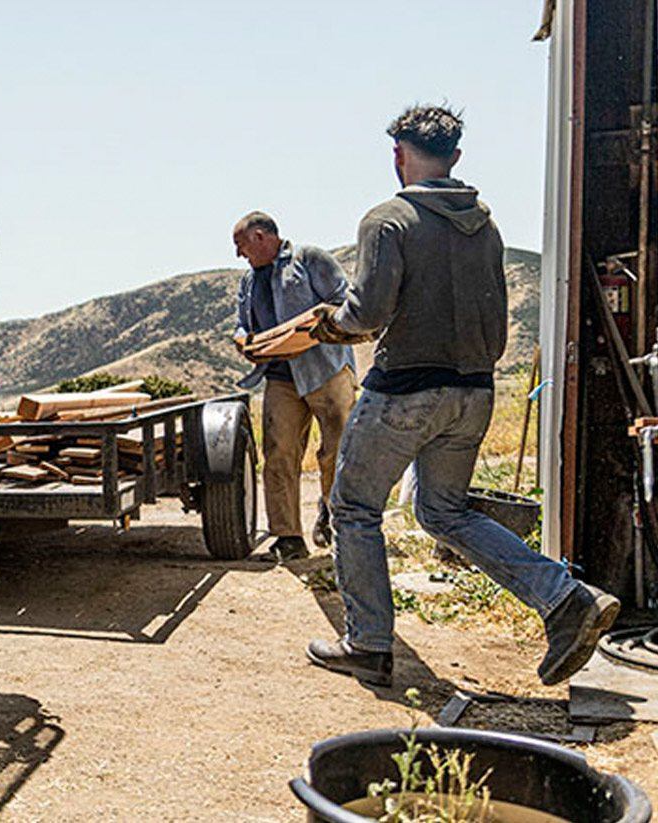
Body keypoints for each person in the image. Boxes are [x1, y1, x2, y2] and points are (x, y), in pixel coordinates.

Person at [307, 105, 618, 687]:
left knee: (353, 508)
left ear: (399, 156)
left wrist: (332, 323)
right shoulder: (487, 226)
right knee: (443, 511)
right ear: (455, 157)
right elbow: (497, 323)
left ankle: (369, 644)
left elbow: (368, 312)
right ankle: (564, 597)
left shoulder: (388, 219)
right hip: (473, 392)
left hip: (403, 391)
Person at [232, 212, 357, 560]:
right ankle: (288, 537)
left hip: (326, 371)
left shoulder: (310, 259)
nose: (239, 254)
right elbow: (242, 323)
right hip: (280, 379)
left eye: (240, 245)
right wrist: (244, 341)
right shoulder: (248, 282)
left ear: (260, 236)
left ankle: (336, 518)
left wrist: (307, 330)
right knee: (278, 454)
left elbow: (343, 301)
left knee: (336, 452)